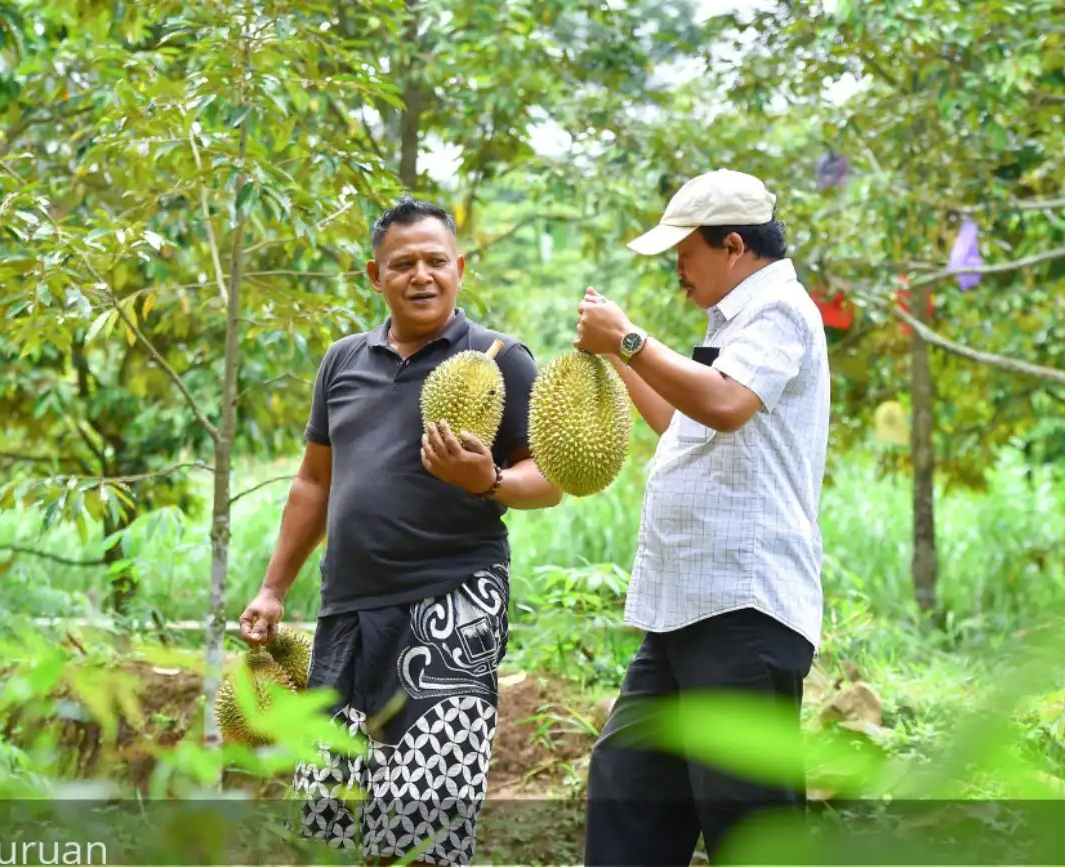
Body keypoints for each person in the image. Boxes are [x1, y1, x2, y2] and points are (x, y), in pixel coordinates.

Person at [236, 195, 563, 866]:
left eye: (436, 261)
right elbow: (313, 482)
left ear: (459, 268)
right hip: (347, 609)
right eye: (403, 263)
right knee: (324, 819)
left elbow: (549, 479)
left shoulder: (498, 358)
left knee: (421, 830)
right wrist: (272, 589)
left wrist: (489, 481)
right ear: (373, 275)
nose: (421, 275)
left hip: (451, 601)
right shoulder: (342, 361)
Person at [572, 169, 831, 866]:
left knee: (748, 820)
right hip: (683, 609)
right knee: (626, 786)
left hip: (741, 609)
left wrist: (628, 338)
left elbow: (722, 403)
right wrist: (615, 355)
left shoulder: (779, 309)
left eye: (684, 254)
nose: (678, 272)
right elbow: (680, 420)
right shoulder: (734, 324)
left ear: (734, 246)